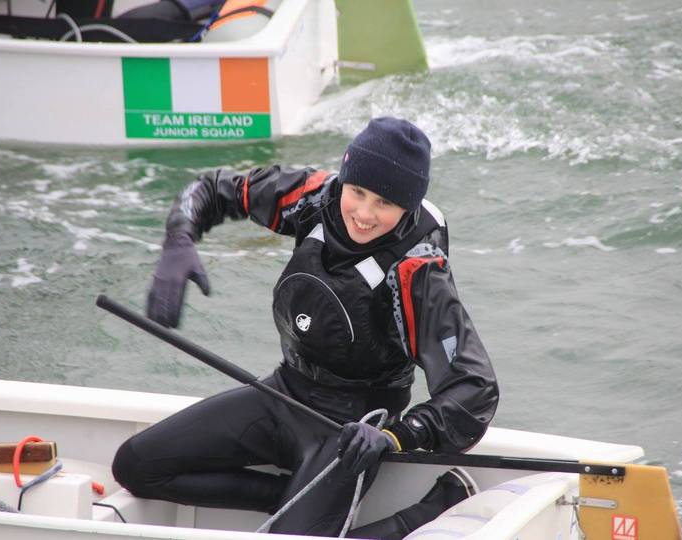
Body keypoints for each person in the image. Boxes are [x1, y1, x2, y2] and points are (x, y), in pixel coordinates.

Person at [112, 117, 499, 539]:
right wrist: (180, 237)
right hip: (284, 393)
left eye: (384, 203)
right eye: (357, 192)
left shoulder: (418, 271)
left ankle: (423, 515)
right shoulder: (314, 197)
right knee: (136, 466)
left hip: (352, 428)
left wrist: (395, 436)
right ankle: (289, 502)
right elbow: (212, 188)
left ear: (408, 206)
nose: (364, 214)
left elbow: (474, 389)